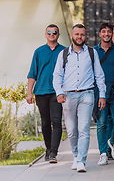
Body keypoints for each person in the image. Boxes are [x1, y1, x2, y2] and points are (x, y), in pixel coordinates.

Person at [53, 24, 106, 172]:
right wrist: (59, 92)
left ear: (85, 36)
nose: (79, 37)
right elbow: (57, 75)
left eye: (82, 34)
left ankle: (81, 160)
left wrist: (102, 95)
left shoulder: (92, 52)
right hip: (68, 95)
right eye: (77, 34)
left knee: (84, 129)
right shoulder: (63, 54)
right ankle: (76, 156)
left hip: (87, 94)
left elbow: (99, 75)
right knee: (71, 131)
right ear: (71, 36)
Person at [27, 24, 65, 163]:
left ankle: (54, 152)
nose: (52, 34)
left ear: (58, 35)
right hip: (41, 92)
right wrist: (29, 92)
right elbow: (32, 73)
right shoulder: (38, 51)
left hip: (57, 92)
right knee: (45, 122)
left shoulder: (64, 51)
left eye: (54, 32)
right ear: (45, 34)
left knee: (56, 121)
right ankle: (48, 149)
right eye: (49, 32)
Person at [94, 23, 114, 165]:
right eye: (104, 32)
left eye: (109, 31)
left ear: (112, 33)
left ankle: (113, 142)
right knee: (102, 123)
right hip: (100, 92)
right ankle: (103, 153)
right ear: (99, 34)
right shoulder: (93, 51)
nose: (107, 34)